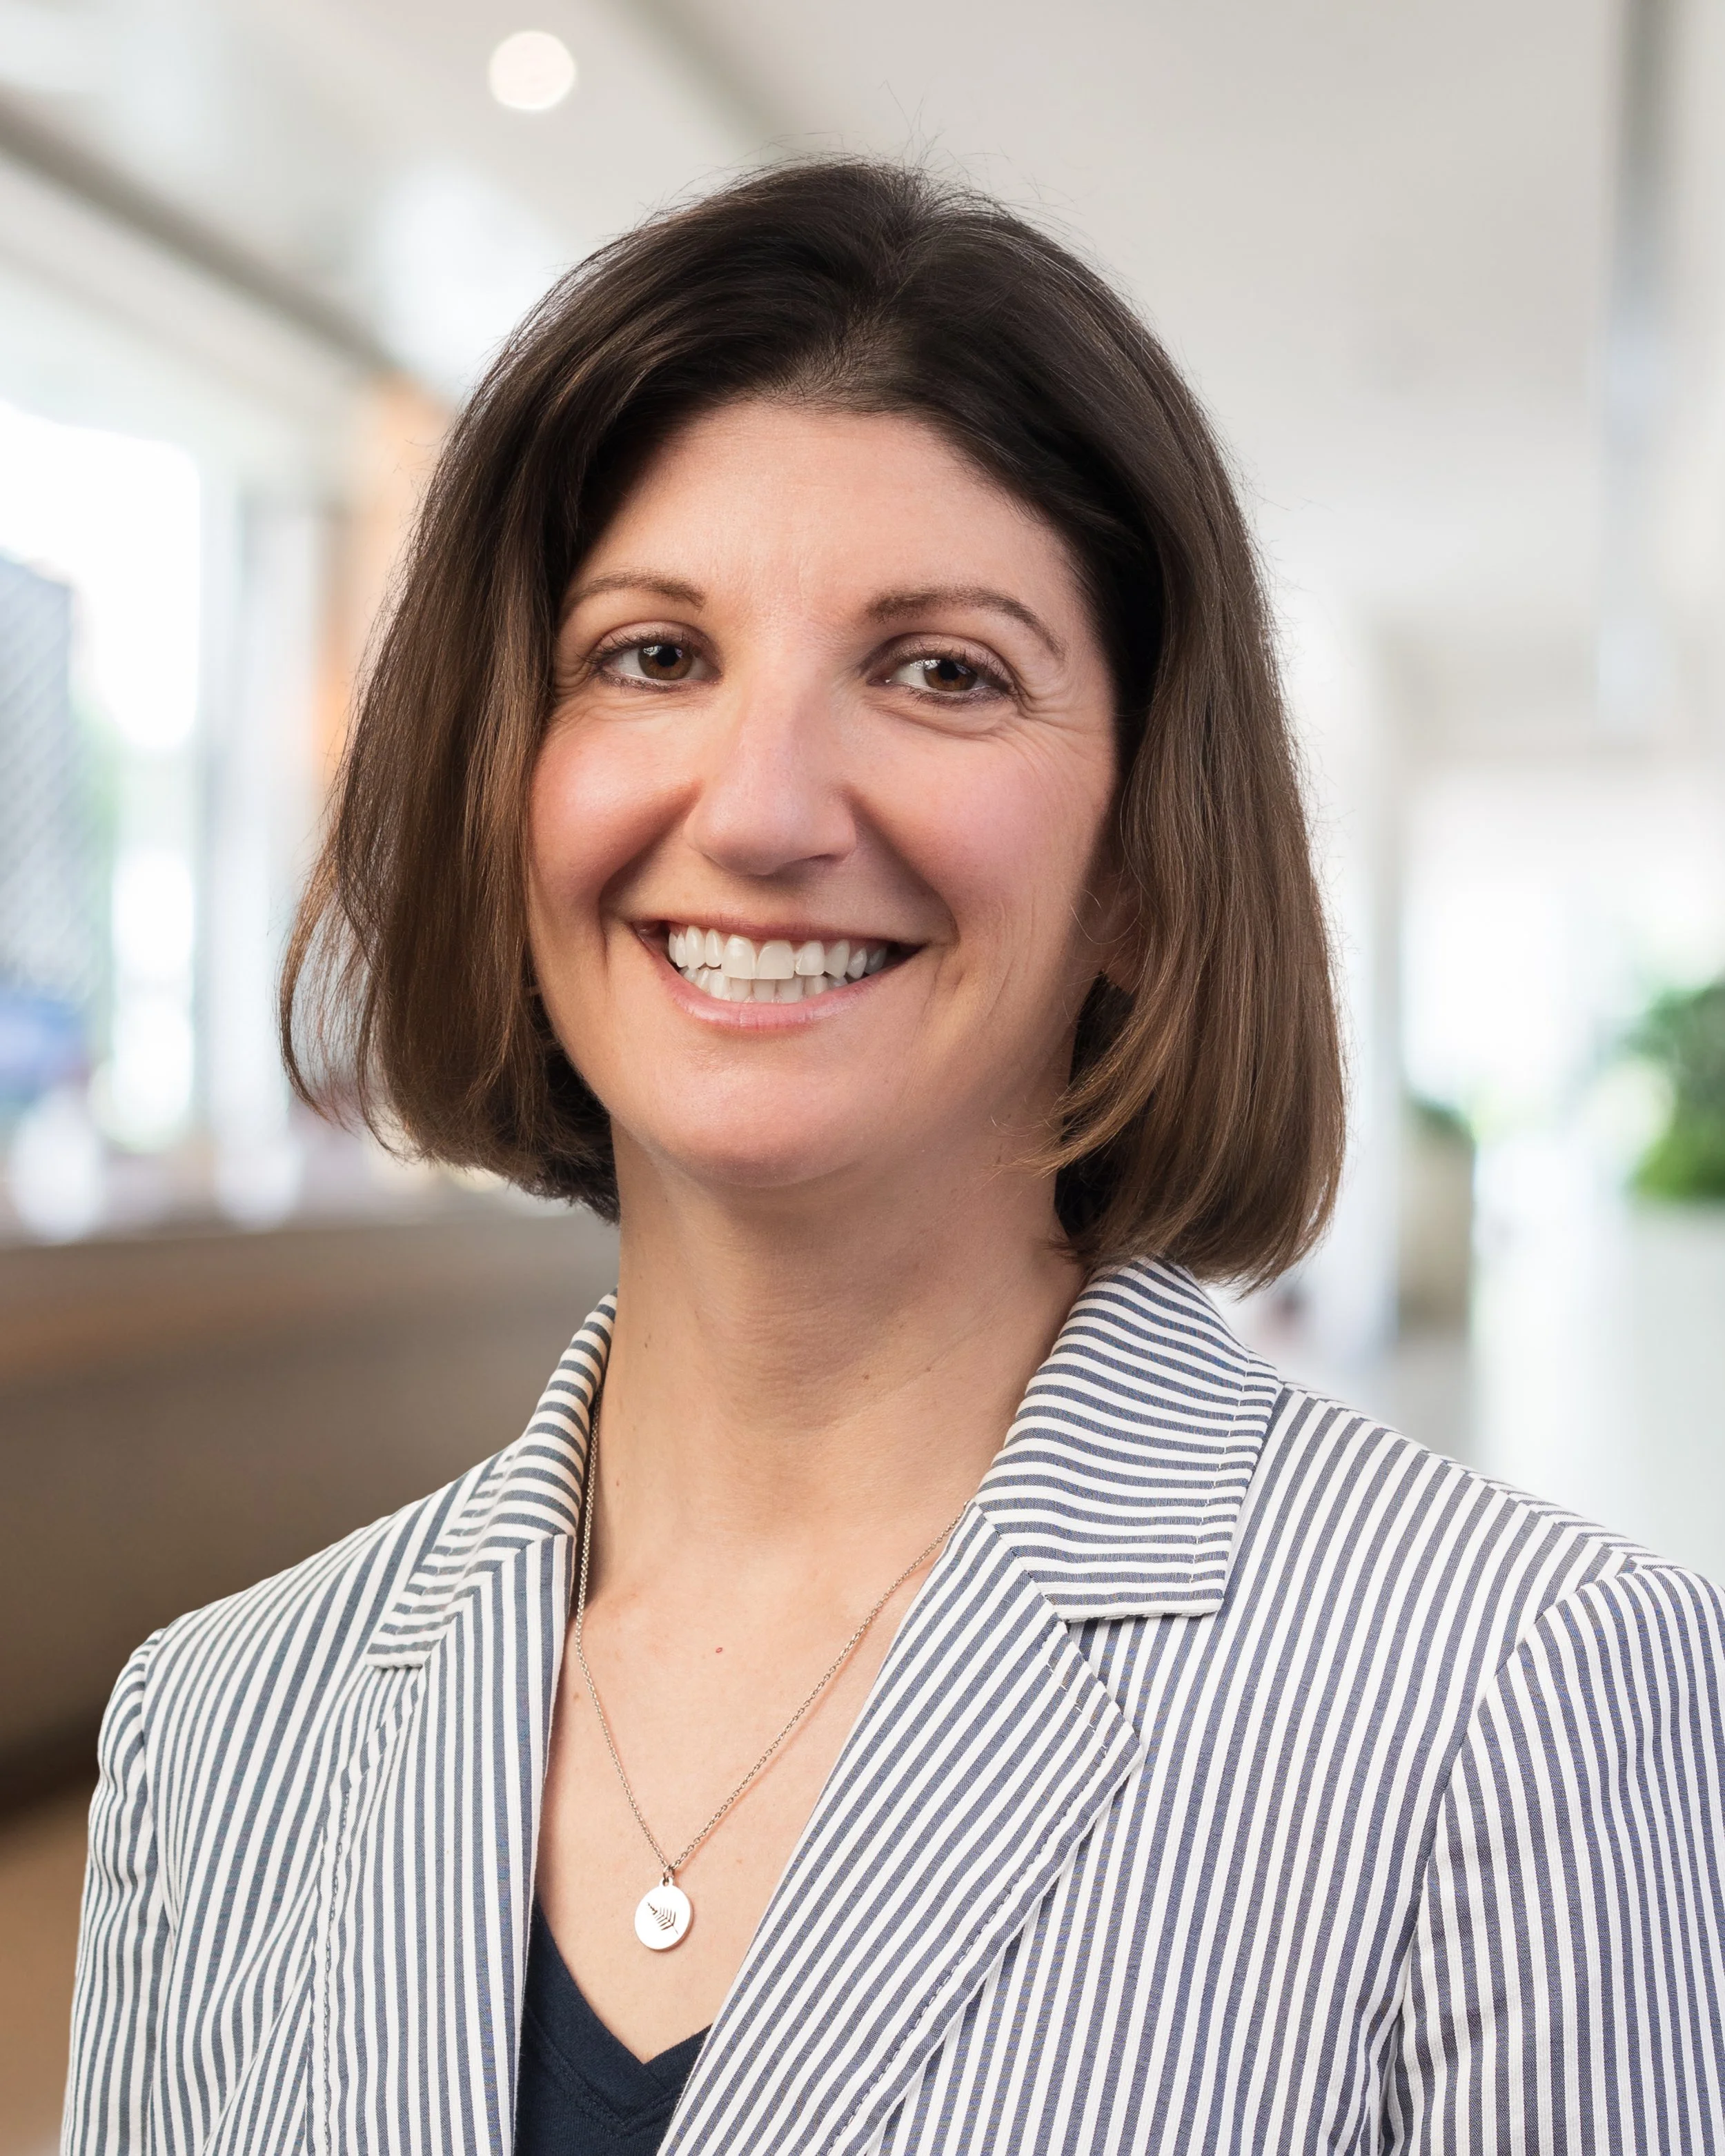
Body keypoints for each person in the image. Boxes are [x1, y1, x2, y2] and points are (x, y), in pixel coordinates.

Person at [65, 159, 1725, 2156]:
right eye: (651, 656)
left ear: (1138, 863)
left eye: (941, 669)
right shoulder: (221, 1732)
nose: (760, 809)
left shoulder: (1512, 1694)